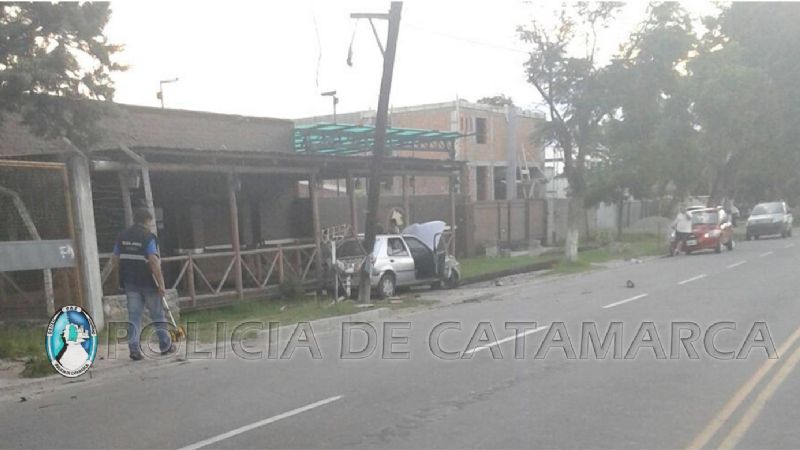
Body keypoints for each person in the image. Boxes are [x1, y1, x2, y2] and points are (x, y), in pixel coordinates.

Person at [111, 208, 174, 360]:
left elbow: (115, 259)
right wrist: (161, 283)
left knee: (134, 317)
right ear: (147, 220)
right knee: (157, 315)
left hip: (130, 282)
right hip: (149, 282)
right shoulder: (148, 237)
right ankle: (165, 345)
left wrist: (119, 276)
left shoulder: (122, 236)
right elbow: (153, 261)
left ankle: (134, 349)